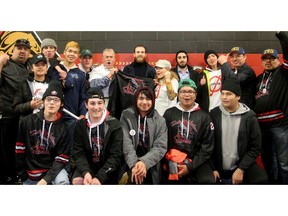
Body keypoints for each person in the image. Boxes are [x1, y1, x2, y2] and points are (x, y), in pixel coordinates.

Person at [209, 79, 268, 184]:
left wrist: (241, 169)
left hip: (242, 164)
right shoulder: (213, 114)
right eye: (222, 94)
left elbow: (255, 147)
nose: (224, 97)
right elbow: (208, 144)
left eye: (229, 94)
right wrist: (213, 168)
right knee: (205, 180)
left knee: (261, 180)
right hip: (217, 165)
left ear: (238, 97)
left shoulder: (249, 117)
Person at [15, 82, 70, 185]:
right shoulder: (27, 122)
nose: (52, 103)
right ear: (43, 102)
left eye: (56, 100)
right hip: (30, 171)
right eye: (48, 99)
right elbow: (19, 149)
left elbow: (62, 158)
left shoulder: (63, 128)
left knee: (63, 182)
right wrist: (22, 174)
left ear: (61, 104)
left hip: (53, 171)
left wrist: (46, 179)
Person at [162, 78, 215, 184]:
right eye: (183, 91)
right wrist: (169, 160)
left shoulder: (204, 117)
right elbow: (163, 140)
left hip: (196, 160)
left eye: (190, 92)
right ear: (178, 94)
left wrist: (190, 166)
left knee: (208, 181)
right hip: (172, 158)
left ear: (195, 95)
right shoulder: (169, 113)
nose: (187, 95)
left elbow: (207, 146)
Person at [254, 32, 288, 184]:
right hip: (262, 126)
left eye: (271, 58)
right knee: (268, 160)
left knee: (284, 162)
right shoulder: (259, 79)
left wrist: (282, 35)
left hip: (281, 125)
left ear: (279, 60)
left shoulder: (283, 73)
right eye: (265, 59)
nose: (268, 61)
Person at [71, 87, 123, 185]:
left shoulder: (115, 125)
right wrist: (85, 172)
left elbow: (116, 156)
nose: (96, 107)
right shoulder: (80, 125)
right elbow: (78, 153)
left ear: (104, 104)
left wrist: (100, 178)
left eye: (100, 103)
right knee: (77, 181)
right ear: (86, 105)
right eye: (92, 103)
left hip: (108, 170)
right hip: (88, 167)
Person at [120, 87, 167, 184]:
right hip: (129, 162)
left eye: (148, 99)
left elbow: (160, 147)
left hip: (151, 163)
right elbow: (126, 142)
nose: (144, 102)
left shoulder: (160, 120)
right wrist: (134, 164)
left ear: (153, 100)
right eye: (141, 98)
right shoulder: (126, 115)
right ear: (136, 99)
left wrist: (143, 163)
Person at [0, 38, 31, 184]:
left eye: (25, 49)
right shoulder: (5, 65)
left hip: (25, 116)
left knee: (21, 149)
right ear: (12, 50)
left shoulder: (29, 66)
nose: (22, 51)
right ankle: (9, 177)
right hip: (8, 116)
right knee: (8, 150)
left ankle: (19, 175)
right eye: (19, 48)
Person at [13, 53, 50, 123]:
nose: (40, 67)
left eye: (43, 65)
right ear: (32, 68)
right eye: (37, 65)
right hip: (29, 123)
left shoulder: (53, 84)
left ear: (47, 68)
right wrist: (29, 105)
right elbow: (15, 108)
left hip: (47, 123)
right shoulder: (24, 84)